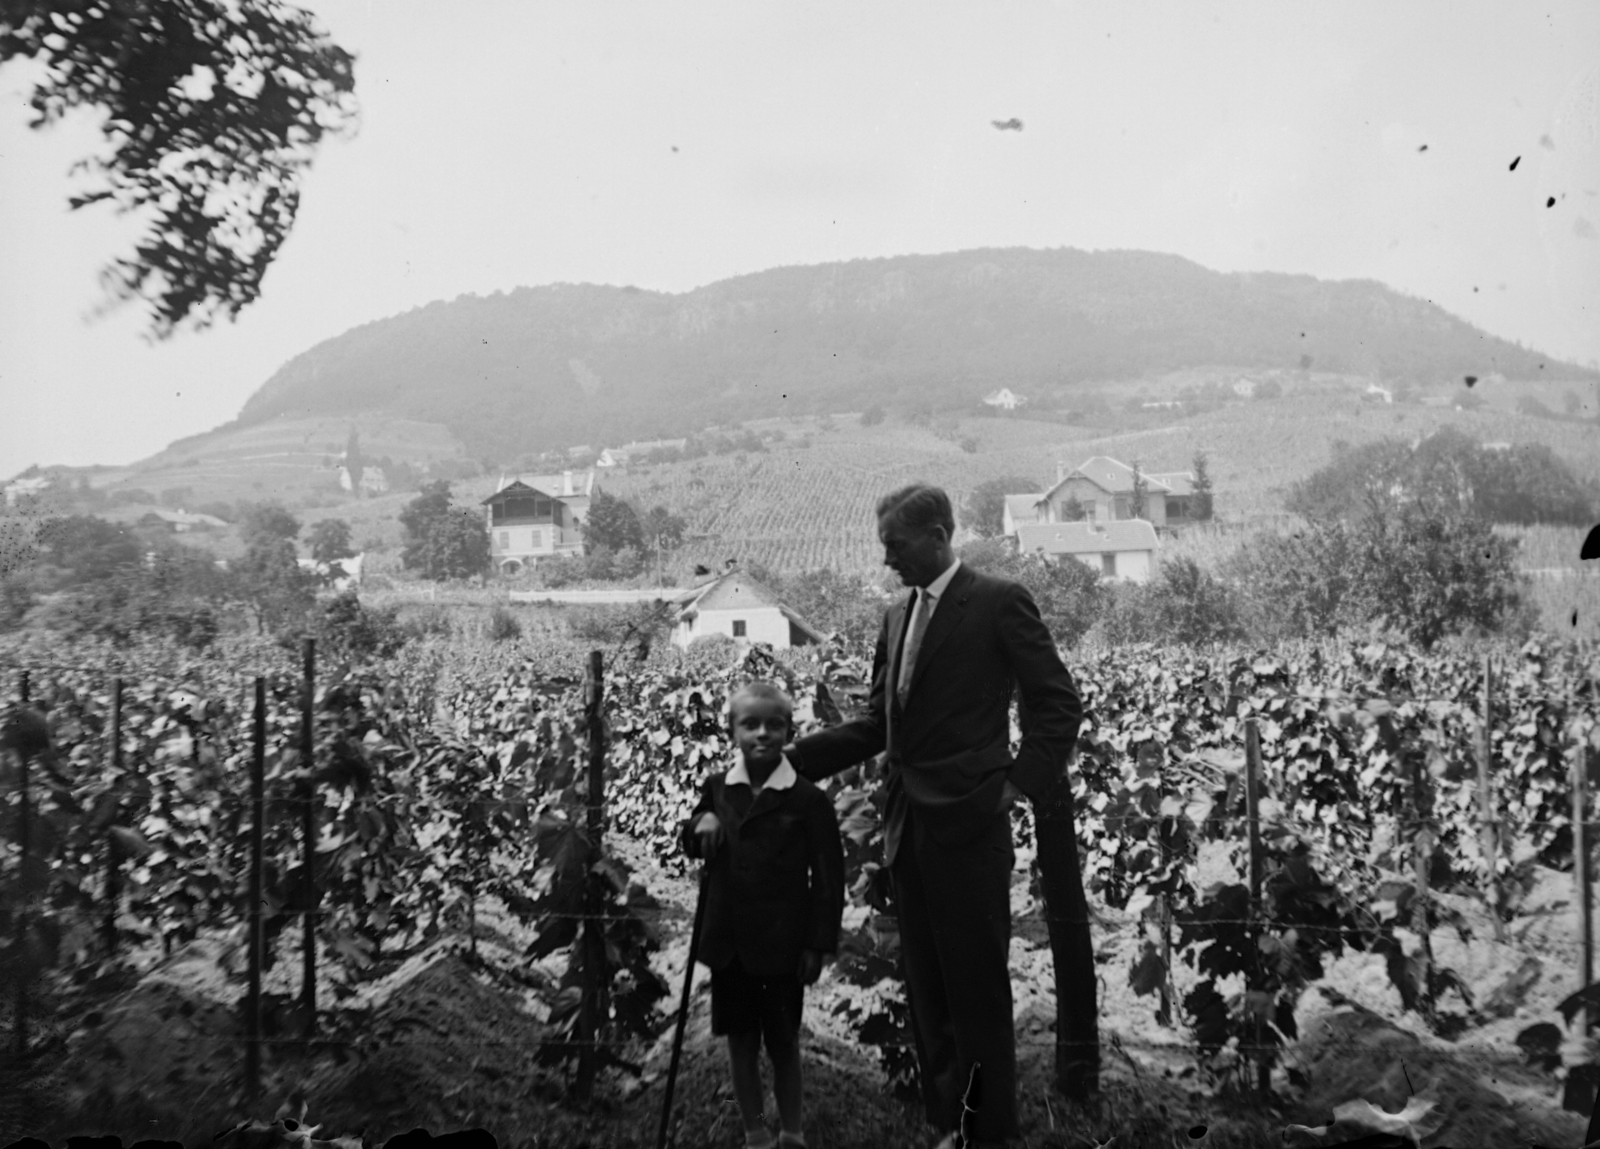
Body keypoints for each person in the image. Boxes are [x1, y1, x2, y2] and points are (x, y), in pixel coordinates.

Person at [784, 484, 1091, 1148]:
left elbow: (1058, 704)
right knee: (929, 996)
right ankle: (951, 1128)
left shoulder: (998, 602)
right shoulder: (896, 616)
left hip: (970, 827)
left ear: (938, 536)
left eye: (895, 545)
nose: (887, 560)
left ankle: (991, 1136)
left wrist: (1015, 787)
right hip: (908, 828)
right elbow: (877, 724)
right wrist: (792, 762)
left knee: (977, 994)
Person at [682, 681, 845, 1149]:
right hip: (731, 944)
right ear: (732, 730)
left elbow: (829, 880)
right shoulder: (718, 789)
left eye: (774, 725)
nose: (762, 734)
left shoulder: (808, 800)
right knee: (740, 1043)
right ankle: (755, 1133)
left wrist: (818, 944)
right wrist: (701, 823)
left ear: (789, 731)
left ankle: (792, 1133)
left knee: (783, 1043)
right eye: (750, 724)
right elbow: (692, 839)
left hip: (782, 947)